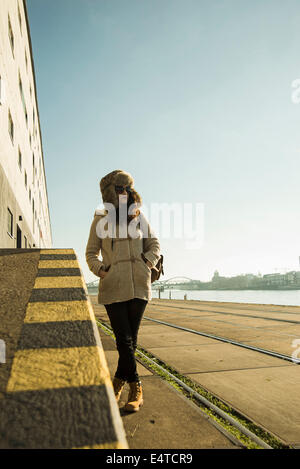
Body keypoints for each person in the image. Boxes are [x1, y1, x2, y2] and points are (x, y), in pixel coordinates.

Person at [85, 169, 161, 412]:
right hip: (114, 286)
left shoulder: (139, 216)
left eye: (127, 189)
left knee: (130, 341)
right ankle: (136, 387)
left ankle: (118, 382)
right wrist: (101, 270)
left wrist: (147, 262)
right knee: (124, 340)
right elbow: (90, 252)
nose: (124, 193)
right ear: (110, 193)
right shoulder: (100, 217)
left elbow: (155, 244)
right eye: (119, 189)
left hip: (139, 285)